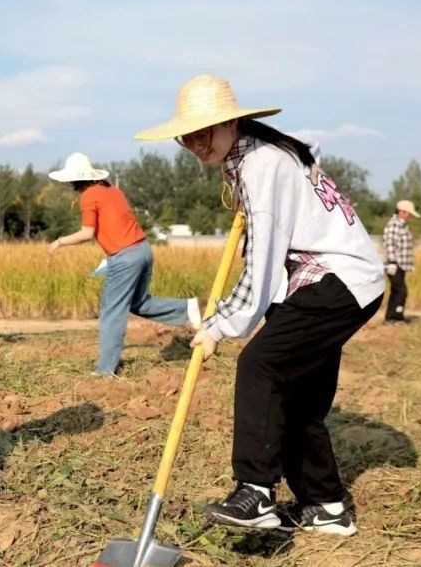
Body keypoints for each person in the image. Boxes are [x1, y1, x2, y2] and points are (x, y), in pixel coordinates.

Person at [137, 75, 384, 536]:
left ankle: (256, 491)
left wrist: (218, 325)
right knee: (295, 397)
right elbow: (265, 256)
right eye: (186, 135)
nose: (194, 143)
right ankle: (327, 506)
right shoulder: (258, 157)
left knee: (259, 366)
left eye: (203, 131)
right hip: (335, 281)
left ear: (232, 123)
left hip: (336, 280)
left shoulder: (261, 164)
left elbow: (266, 263)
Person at [47, 152, 201, 376]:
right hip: (143, 250)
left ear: (74, 180)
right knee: (138, 303)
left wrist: (59, 242)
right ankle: (185, 308)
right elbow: (115, 226)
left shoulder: (89, 196)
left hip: (125, 257)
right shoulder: (112, 190)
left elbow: (87, 233)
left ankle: (105, 370)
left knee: (111, 311)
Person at [382, 200, 420, 323]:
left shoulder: (403, 225)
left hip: (402, 265)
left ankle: (390, 317)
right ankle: (396, 316)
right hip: (394, 264)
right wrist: (392, 261)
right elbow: (389, 244)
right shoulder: (394, 225)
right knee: (401, 291)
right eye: (409, 213)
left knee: (396, 291)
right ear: (402, 212)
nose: (410, 217)